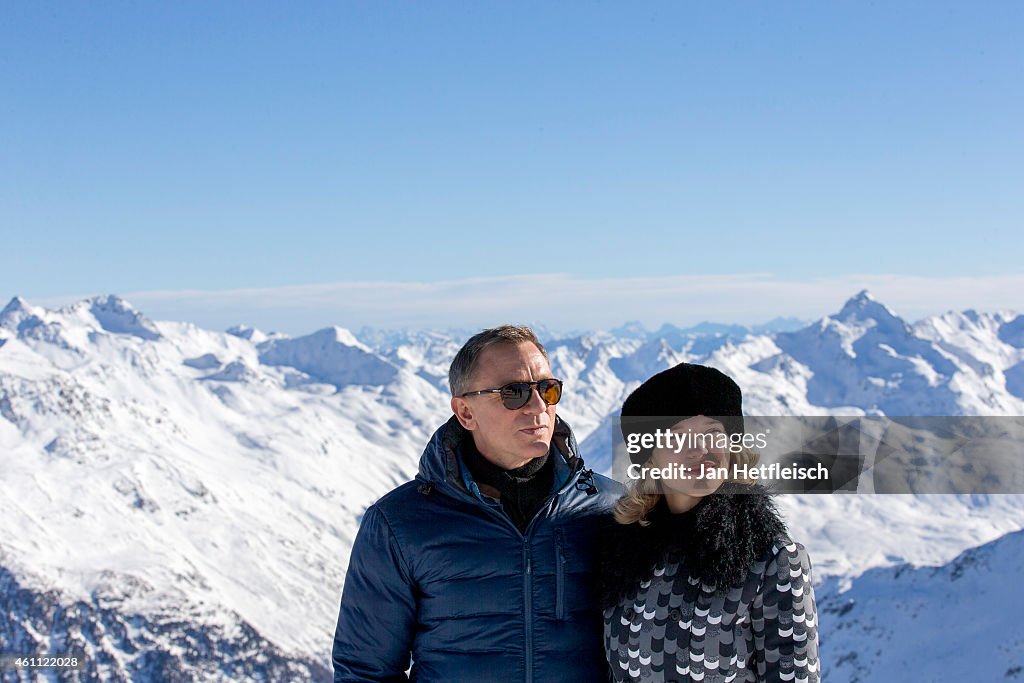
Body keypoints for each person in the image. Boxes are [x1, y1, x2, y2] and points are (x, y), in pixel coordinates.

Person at [332, 325, 622, 682]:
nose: (537, 406)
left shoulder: (613, 508)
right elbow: (365, 670)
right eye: (513, 393)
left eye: (547, 389)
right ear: (465, 412)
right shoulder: (399, 524)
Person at [600, 362, 820, 682]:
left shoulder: (772, 560)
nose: (700, 450)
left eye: (713, 434)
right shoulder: (620, 555)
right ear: (649, 457)